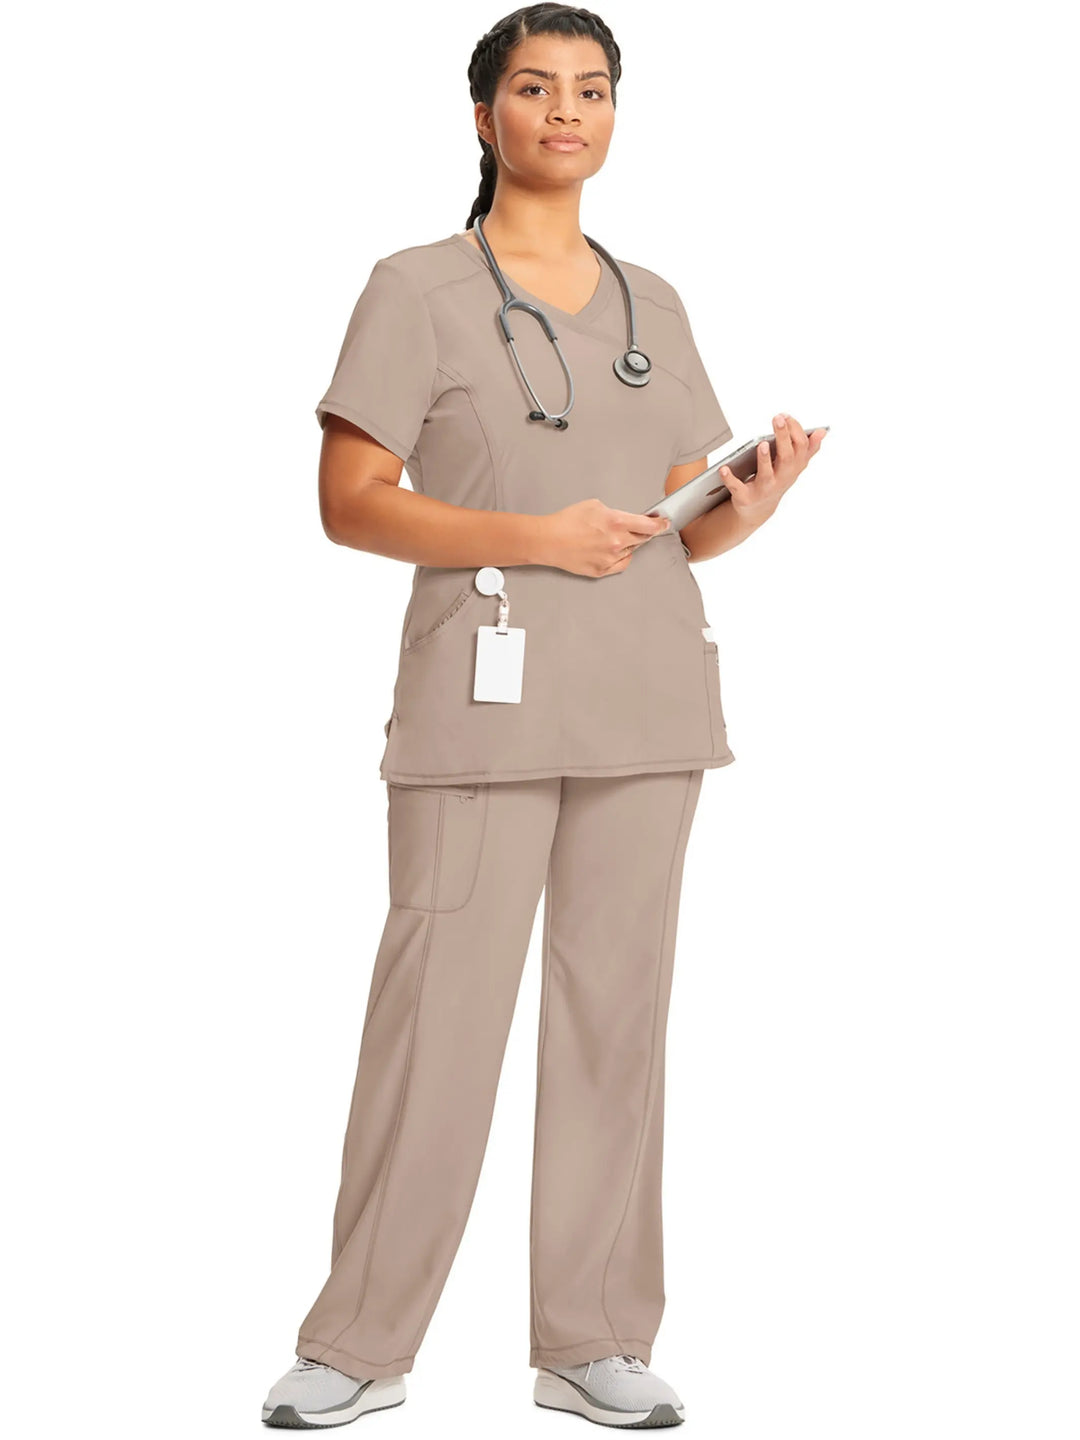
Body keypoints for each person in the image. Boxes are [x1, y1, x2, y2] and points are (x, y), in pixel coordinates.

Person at [262, 4, 825, 1430]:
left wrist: (750, 501)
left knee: (612, 1028)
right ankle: (361, 1343)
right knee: (434, 1026)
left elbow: (674, 527)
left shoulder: (655, 301)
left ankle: (590, 1339)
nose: (565, 112)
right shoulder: (414, 288)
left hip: (648, 709)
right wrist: (529, 529)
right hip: (482, 710)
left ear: (615, 118)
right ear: (482, 116)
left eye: (592, 90)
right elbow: (348, 503)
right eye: (534, 87)